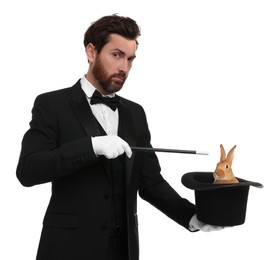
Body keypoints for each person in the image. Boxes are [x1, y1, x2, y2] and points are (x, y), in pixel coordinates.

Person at [16, 14, 224, 260]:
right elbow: (28, 171)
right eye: (116, 55)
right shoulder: (51, 104)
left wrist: (192, 217)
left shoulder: (135, 113)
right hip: (67, 248)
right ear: (92, 52)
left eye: (130, 59)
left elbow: (151, 183)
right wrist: (91, 146)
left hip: (123, 250)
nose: (124, 67)